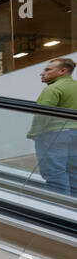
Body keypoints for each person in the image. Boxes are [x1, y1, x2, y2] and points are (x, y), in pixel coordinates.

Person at [27, 57, 77, 195]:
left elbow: (42, 115)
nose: (43, 73)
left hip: (55, 135)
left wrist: (33, 134)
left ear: (63, 71)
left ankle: (58, 208)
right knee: (74, 172)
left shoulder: (53, 89)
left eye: (48, 70)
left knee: (55, 173)